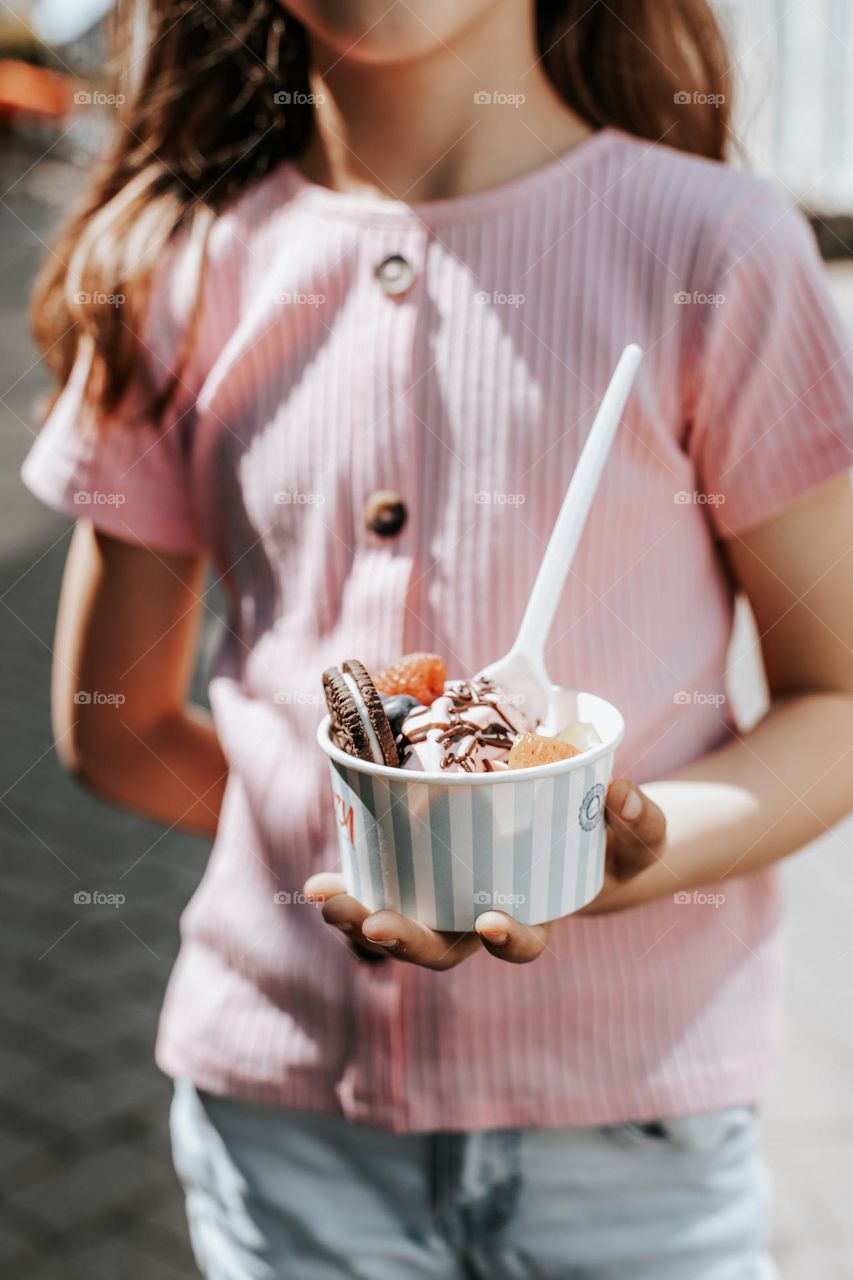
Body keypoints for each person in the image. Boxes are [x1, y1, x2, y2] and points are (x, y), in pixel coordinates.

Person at [22, 1, 853, 1275]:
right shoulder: (170, 273)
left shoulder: (717, 248)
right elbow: (112, 725)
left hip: (636, 1129)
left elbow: (837, 695)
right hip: (286, 1128)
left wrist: (598, 856)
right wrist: (389, 845)